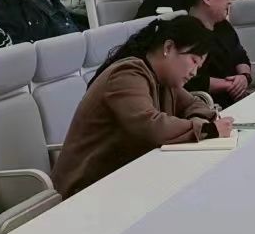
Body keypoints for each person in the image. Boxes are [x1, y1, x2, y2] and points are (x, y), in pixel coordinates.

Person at [51, 15, 230, 198]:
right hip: (84, 190)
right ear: (168, 48)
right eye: (193, 61)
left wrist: (198, 121)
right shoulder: (127, 75)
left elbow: (194, 104)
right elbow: (151, 126)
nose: (194, 73)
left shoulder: (164, 81)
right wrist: (207, 129)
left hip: (120, 181)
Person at [182, 0, 252, 108]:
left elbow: (240, 56)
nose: (230, 1)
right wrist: (230, 85)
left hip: (237, 99)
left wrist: (244, 77)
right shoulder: (185, 32)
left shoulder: (223, 26)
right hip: (206, 105)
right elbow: (190, 79)